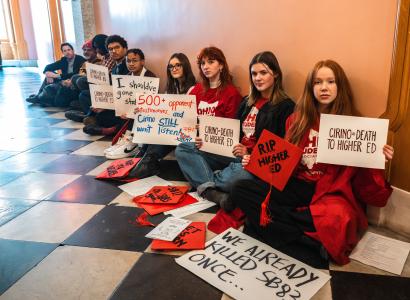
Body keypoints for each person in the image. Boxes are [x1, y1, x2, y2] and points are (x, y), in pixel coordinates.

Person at [231, 60, 394, 265]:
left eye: (330, 81)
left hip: (330, 192)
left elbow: (372, 194)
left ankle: (279, 229)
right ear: (311, 87)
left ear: (340, 86)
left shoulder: (355, 126)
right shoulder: (297, 119)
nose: (324, 87)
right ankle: (303, 239)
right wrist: (254, 159)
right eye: (318, 82)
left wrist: (375, 159)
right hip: (296, 185)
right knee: (240, 189)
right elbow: (280, 162)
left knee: (339, 217)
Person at [175, 47, 246, 208]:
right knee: (182, 149)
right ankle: (212, 191)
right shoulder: (197, 90)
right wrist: (195, 128)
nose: (205, 66)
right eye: (202, 63)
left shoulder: (231, 93)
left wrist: (206, 130)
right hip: (202, 146)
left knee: (241, 170)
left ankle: (204, 182)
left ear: (221, 65)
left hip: (224, 150)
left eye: (211, 62)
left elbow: (231, 132)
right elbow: (184, 119)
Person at [127, 52, 197, 177]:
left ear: (185, 66)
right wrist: (143, 110)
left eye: (178, 65)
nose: (174, 69)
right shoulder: (171, 88)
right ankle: (144, 157)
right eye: (171, 66)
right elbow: (161, 111)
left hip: (185, 132)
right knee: (155, 128)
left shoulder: (194, 89)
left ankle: (148, 161)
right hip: (172, 128)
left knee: (162, 132)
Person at [104, 48, 158, 159]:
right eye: (128, 61)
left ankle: (132, 144)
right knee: (106, 116)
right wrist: (122, 110)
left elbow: (152, 102)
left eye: (135, 60)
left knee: (138, 113)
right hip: (129, 116)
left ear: (142, 62)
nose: (131, 64)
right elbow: (123, 99)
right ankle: (126, 140)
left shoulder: (150, 77)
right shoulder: (126, 77)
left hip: (146, 115)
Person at [82, 34, 129, 136]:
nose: (113, 51)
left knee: (104, 116)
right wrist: (103, 104)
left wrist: (107, 107)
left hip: (128, 107)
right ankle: (96, 121)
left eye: (117, 47)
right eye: (110, 49)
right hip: (117, 104)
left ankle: (111, 130)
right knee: (99, 112)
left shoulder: (129, 66)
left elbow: (127, 96)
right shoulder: (116, 67)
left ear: (125, 49)